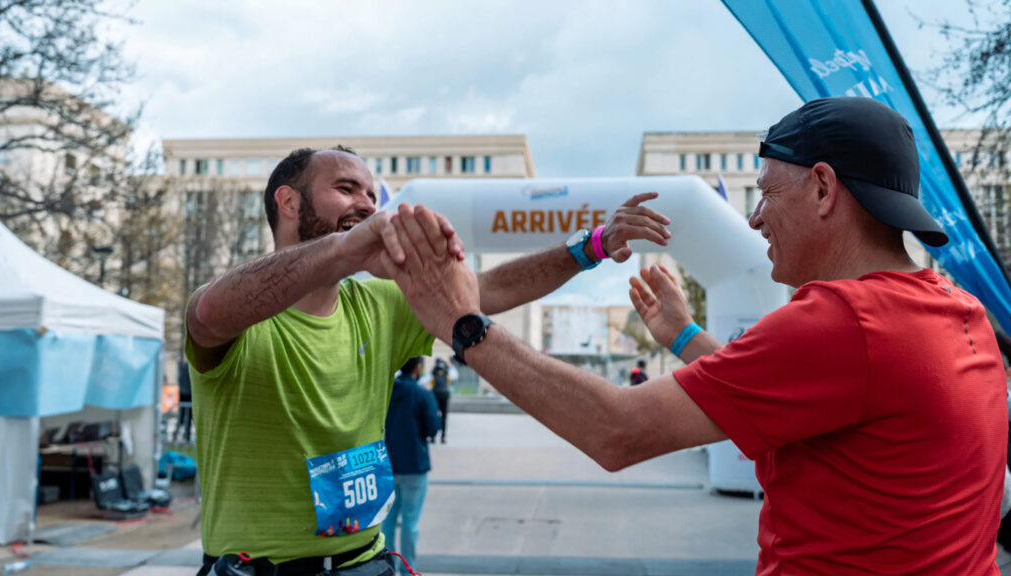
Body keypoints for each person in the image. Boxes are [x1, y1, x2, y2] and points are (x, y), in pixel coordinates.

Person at [379, 97, 1008, 574]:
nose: (756, 218)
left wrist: (465, 326)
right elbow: (777, 392)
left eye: (765, 193)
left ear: (823, 188)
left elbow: (617, 431)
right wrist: (683, 336)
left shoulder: (844, 320)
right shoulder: (957, 311)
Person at [184, 145, 672, 575]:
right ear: (288, 202)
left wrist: (592, 246)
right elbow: (207, 313)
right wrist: (344, 249)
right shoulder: (241, 306)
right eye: (346, 188)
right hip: (256, 569)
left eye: (371, 195)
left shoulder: (376, 304)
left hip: (366, 563)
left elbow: (490, 289)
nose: (366, 204)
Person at [382, 357, 440, 571]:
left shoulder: (386, 394)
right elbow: (433, 428)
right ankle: (409, 569)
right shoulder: (422, 394)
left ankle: (388, 568)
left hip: (389, 465)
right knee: (410, 522)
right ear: (418, 368)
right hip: (415, 465)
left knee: (387, 522)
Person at [429, 358, 451, 443]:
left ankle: (433, 437)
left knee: (434, 415)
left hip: (435, 396)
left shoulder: (433, 372)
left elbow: (430, 384)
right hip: (445, 395)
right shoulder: (446, 373)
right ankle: (443, 437)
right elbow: (448, 382)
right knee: (444, 417)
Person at [173, 358, 192, 443]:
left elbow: (180, 379)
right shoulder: (190, 367)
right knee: (188, 417)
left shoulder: (184, 366)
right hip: (189, 394)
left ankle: (176, 434)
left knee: (182, 416)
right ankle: (186, 436)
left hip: (182, 393)